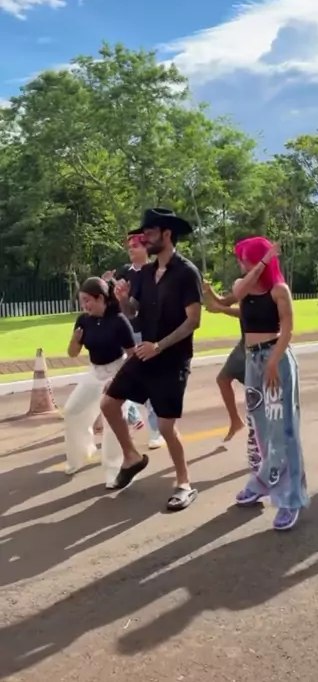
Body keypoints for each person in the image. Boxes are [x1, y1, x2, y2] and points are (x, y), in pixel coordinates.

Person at [100, 207, 203, 508]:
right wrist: (122, 300)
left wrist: (159, 345)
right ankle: (132, 457)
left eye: (149, 233)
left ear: (167, 234)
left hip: (172, 359)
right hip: (146, 354)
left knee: (167, 427)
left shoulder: (187, 273)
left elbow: (193, 321)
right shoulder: (145, 274)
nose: (144, 238)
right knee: (108, 403)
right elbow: (134, 313)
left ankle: (184, 483)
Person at [220, 237, 308, 531]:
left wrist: (273, 362)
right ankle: (263, 482)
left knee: (283, 430)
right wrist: (261, 263)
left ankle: (290, 499)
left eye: (244, 258)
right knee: (260, 429)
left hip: (276, 360)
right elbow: (236, 294)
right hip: (252, 360)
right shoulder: (242, 286)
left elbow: (288, 329)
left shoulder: (279, 290)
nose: (241, 264)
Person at [64, 277, 137, 489]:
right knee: (72, 411)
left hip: (117, 371)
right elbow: (72, 353)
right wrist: (75, 340)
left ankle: (115, 470)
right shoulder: (83, 320)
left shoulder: (119, 320)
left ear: (100, 298)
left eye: (87, 300)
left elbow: (133, 355)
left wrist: (117, 378)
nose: (84, 306)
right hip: (94, 372)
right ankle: (81, 454)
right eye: (82, 301)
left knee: (112, 422)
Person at [105, 230, 165, 450]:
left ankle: (157, 430)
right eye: (129, 247)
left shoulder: (154, 273)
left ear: (146, 248)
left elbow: (141, 307)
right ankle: (132, 417)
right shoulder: (124, 272)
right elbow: (115, 303)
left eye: (136, 246)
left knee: (148, 381)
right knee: (116, 378)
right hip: (123, 332)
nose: (131, 249)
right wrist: (108, 286)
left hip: (144, 334)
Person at [203, 280, 246, 442]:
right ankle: (236, 421)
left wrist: (220, 309)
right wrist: (209, 290)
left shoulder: (262, 285)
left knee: (258, 390)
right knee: (223, 379)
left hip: (259, 345)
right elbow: (224, 301)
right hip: (244, 344)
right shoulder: (244, 283)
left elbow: (247, 313)